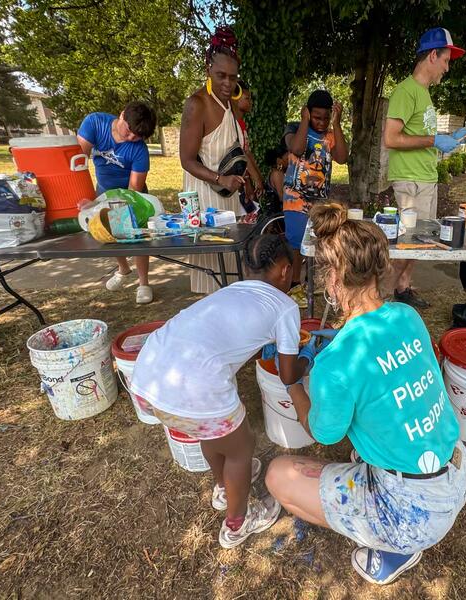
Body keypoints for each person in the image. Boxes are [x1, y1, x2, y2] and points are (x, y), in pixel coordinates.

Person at [265, 203, 466, 585]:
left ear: (331, 278)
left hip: (414, 514)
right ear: (379, 268)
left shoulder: (337, 363)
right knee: (365, 437)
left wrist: (293, 382)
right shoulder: (407, 316)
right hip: (455, 468)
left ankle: (396, 549)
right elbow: (392, 377)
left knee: (279, 476)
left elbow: (321, 432)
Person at [130, 234, 316, 548]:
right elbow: (287, 375)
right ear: (286, 270)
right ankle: (237, 522)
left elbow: (233, 336)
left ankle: (222, 487)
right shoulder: (285, 306)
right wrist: (306, 357)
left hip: (148, 376)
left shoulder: (231, 291)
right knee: (242, 448)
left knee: (210, 433)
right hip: (193, 386)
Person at [383, 28, 466, 309]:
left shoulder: (424, 94)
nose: (446, 68)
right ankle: (378, 301)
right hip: (411, 181)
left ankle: (402, 289)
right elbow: (391, 138)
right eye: (446, 61)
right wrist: (434, 139)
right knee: (409, 244)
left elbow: (421, 137)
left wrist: (450, 140)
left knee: (421, 243)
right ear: (433, 55)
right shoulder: (406, 91)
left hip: (425, 179)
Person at [179, 26, 252, 294]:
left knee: (231, 275)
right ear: (207, 67)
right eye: (221, 75)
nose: (227, 84)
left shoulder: (229, 103)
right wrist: (220, 178)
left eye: (233, 78)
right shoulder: (196, 104)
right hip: (205, 198)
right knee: (212, 280)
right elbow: (186, 160)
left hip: (228, 195)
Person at [77, 101, 157, 304]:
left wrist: (117, 207)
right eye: (129, 131)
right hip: (103, 190)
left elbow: (134, 188)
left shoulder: (139, 150)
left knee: (136, 238)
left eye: (137, 137)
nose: (131, 138)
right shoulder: (95, 123)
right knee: (106, 232)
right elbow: (77, 164)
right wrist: (90, 200)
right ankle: (123, 269)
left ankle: (143, 283)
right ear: (121, 115)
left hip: (130, 195)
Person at [282, 89, 349, 285]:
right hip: (295, 195)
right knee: (296, 239)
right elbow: (296, 149)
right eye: (316, 117)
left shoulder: (330, 135)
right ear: (307, 113)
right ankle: (295, 283)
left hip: (319, 198)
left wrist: (336, 124)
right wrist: (304, 121)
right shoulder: (295, 129)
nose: (321, 122)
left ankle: (310, 282)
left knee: (317, 239)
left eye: (326, 118)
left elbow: (342, 158)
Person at [233, 79, 265, 215]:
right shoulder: (233, 124)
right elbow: (240, 155)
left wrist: (258, 178)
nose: (250, 102)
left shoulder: (242, 124)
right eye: (247, 98)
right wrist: (250, 182)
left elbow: (247, 152)